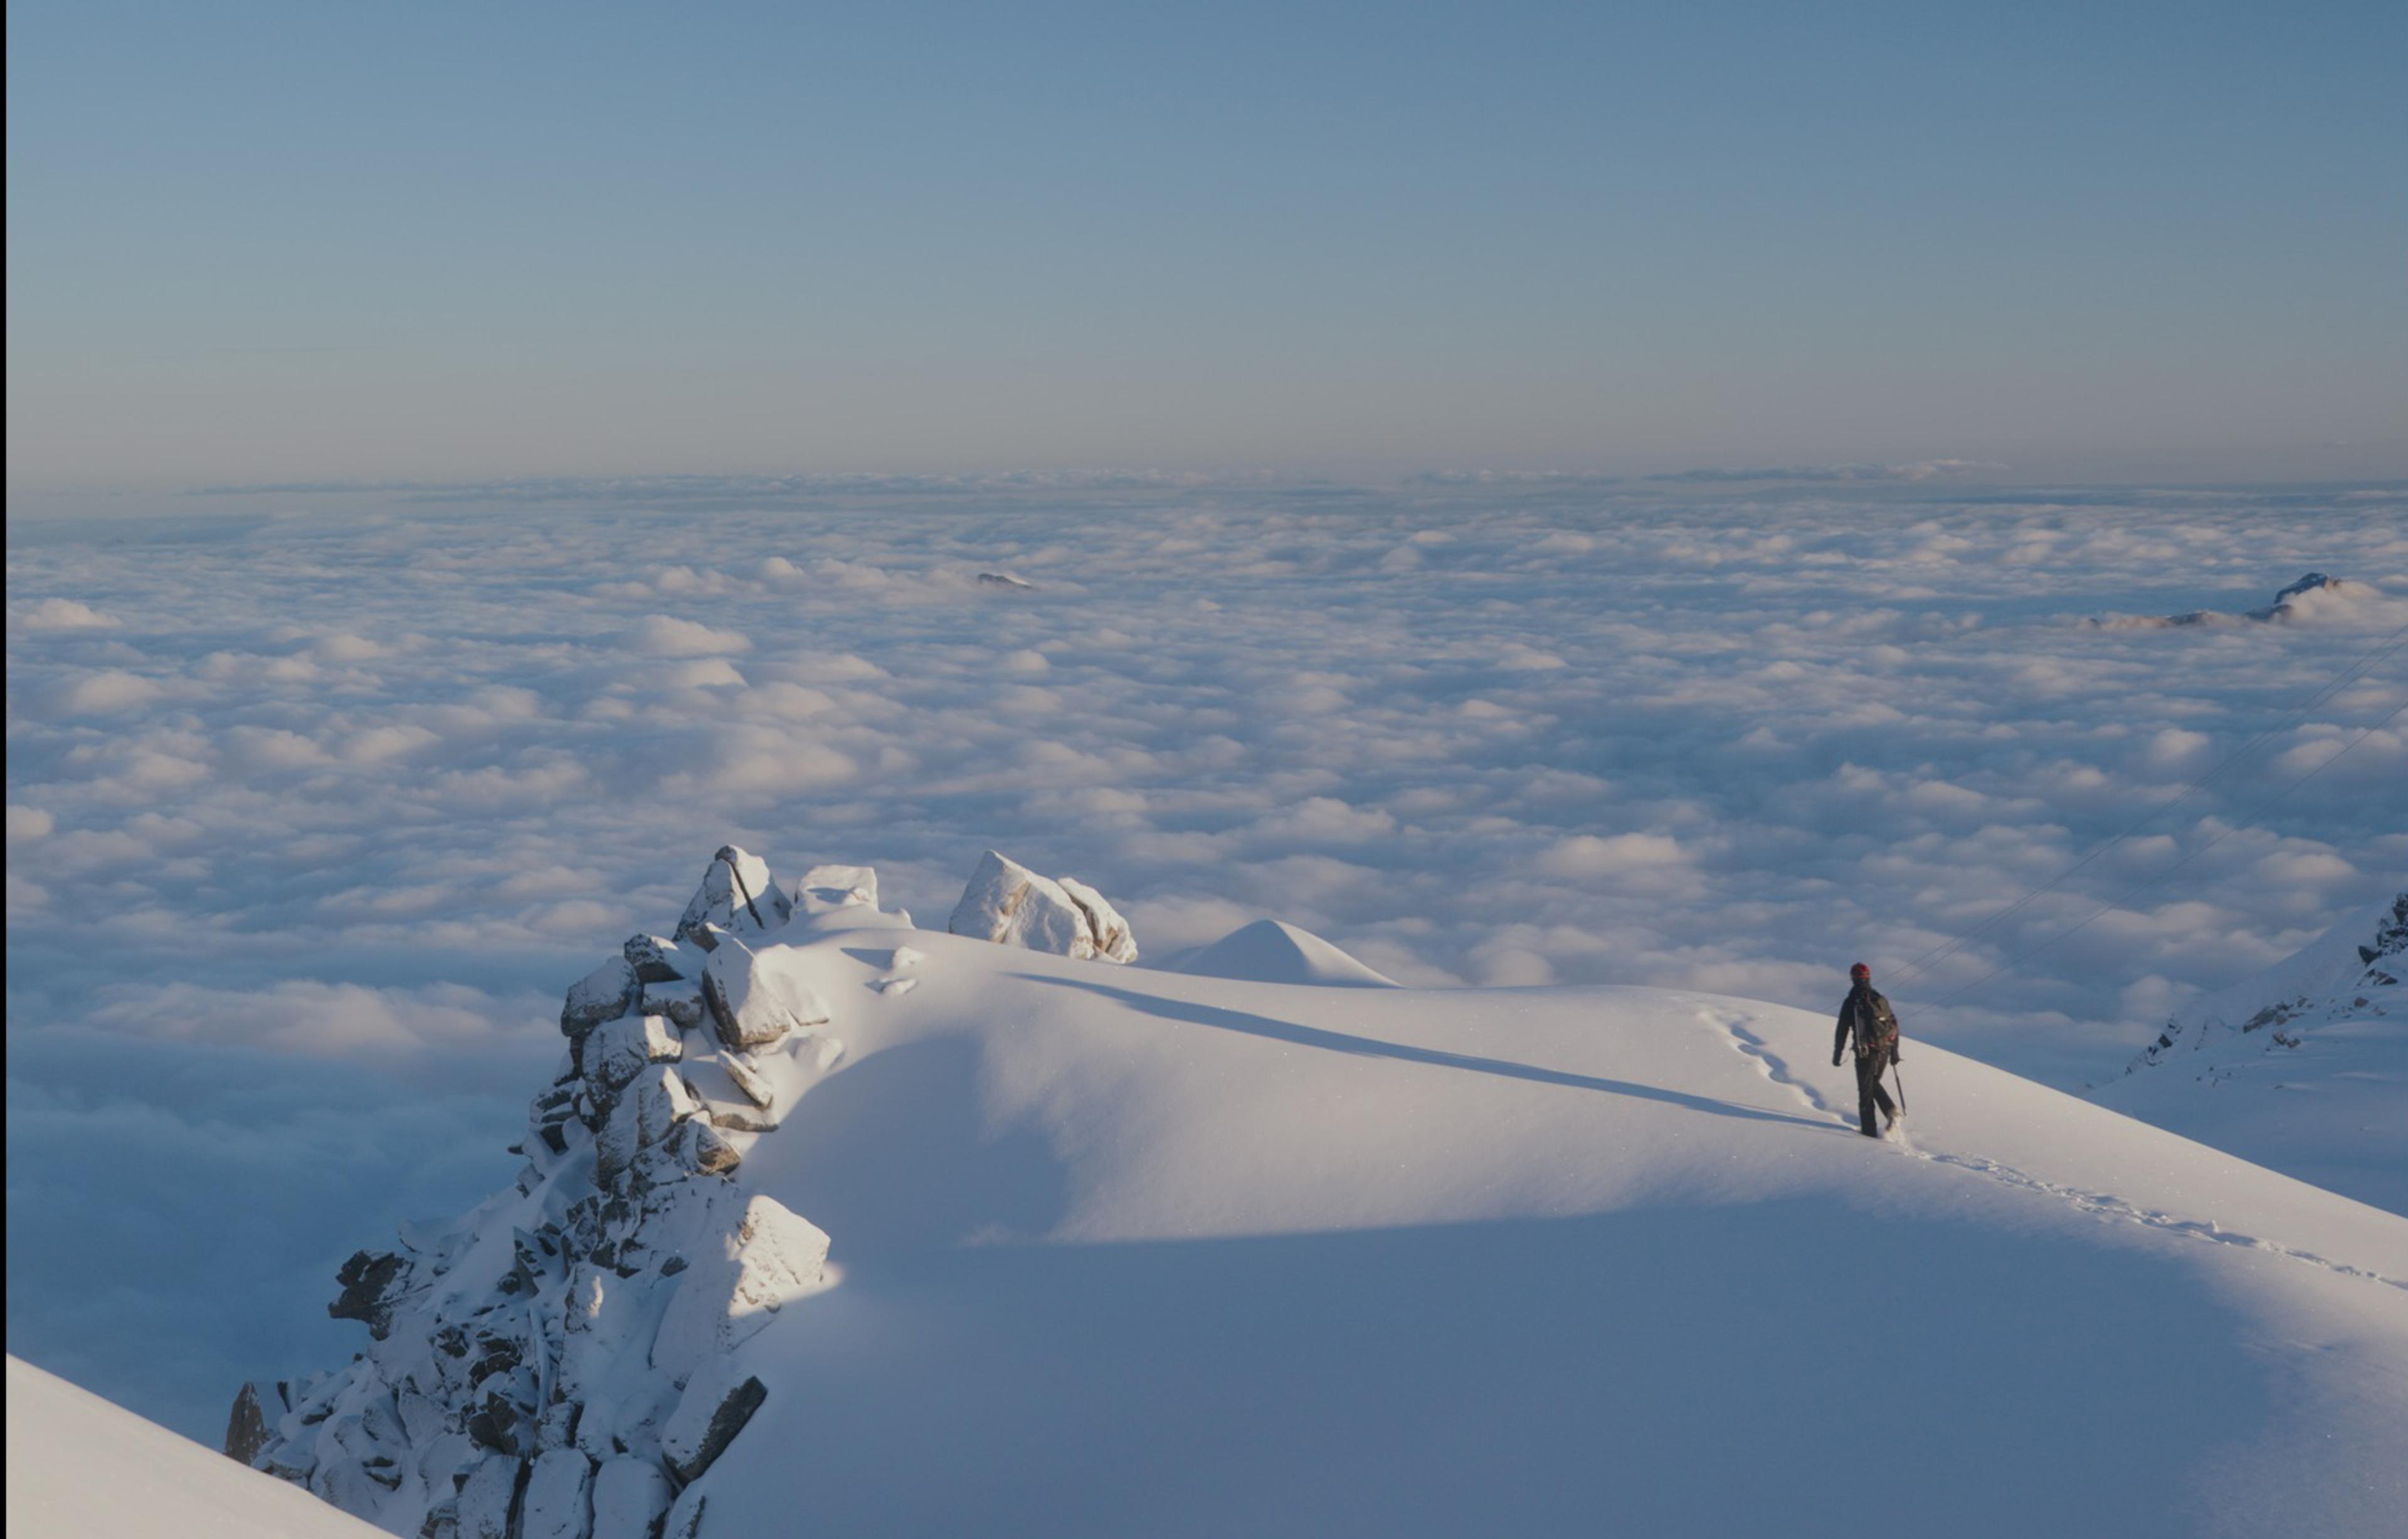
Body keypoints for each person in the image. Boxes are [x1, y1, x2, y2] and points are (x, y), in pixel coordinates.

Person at [1832, 961, 1903, 1138]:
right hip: (1884, 1049)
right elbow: (1893, 1023)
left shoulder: (1851, 1002)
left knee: (1865, 1092)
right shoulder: (1880, 999)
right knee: (1872, 1084)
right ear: (1869, 977)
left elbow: (1842, 1030)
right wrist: (1895, 1051)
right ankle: (1890, 1112)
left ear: (1853, 978)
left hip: (1865, 1052)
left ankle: (1870, 1133)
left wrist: (1837, 1053)